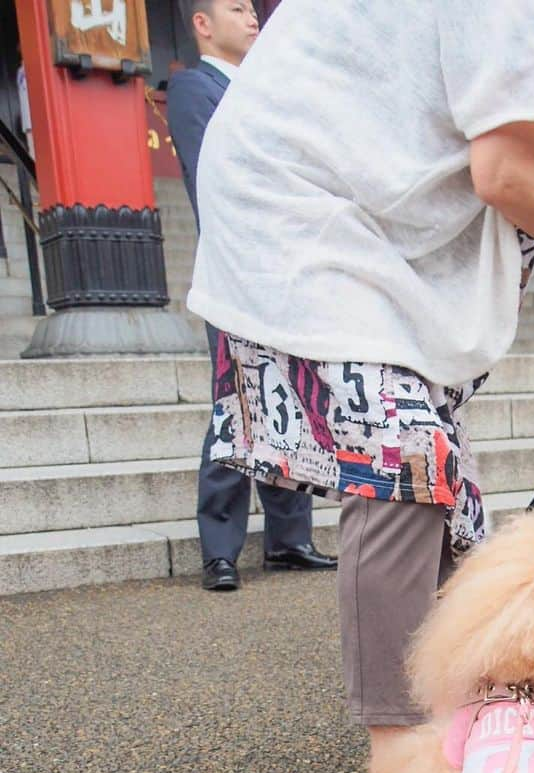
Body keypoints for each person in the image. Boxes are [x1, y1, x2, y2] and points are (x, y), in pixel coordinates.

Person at [184, 0, 534, 773]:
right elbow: (507, 171)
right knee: (407, 467)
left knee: (443, 485)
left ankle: (461, 700)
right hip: (303, 202)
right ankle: (400, 761)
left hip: (361, 206)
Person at [167, 0, 336, 592]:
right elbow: (211, 175)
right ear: (203, 24)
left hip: (286, 273)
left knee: (288, 401)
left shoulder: (272, 87)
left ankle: (290, 538)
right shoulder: (195, 89)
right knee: (233, 406)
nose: (252, 16)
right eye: (236, 7)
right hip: (237, 270)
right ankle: (220, 547)